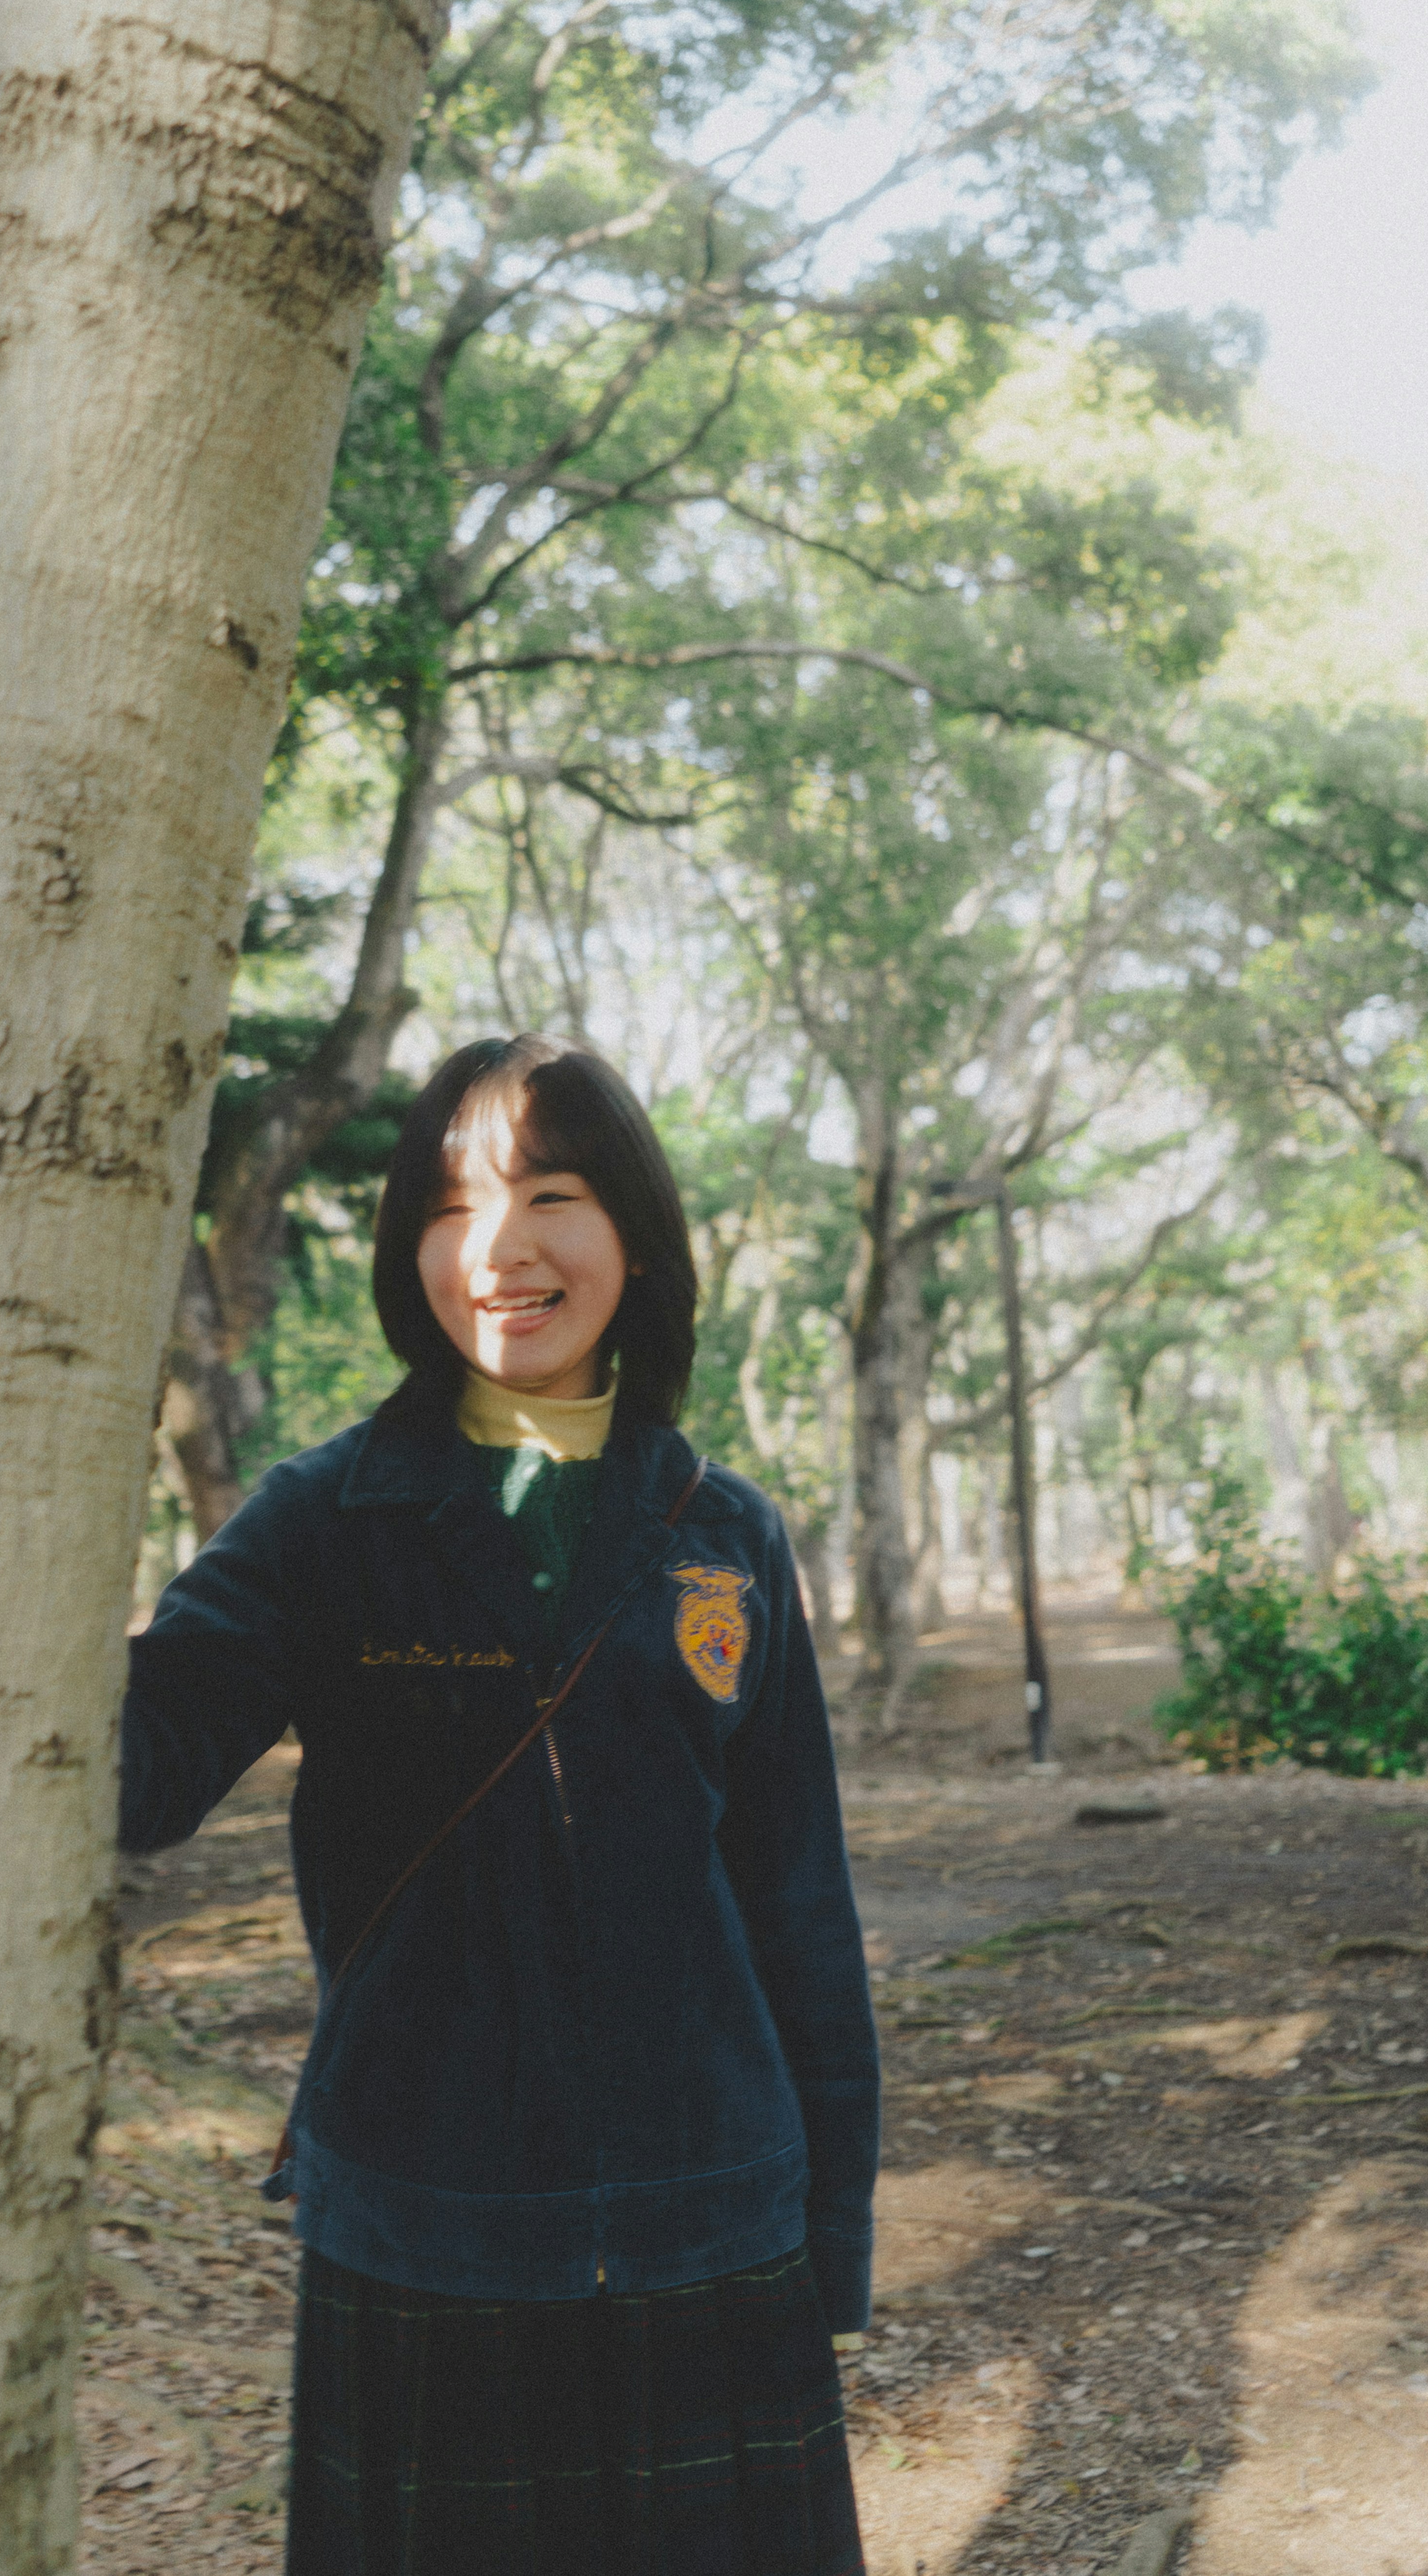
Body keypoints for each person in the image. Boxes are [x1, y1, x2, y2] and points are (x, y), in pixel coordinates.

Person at [120, 1033, 879, 2575]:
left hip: (710, 2220)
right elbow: (136, 1770)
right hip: (427, 2225)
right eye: (456, 1205)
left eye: (553, 1193)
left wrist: (833, 2247)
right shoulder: (327, 1521)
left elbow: (800, 1906)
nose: (504, 1249)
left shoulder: (724, 1534)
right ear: (413, 1250)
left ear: (635, 1241)